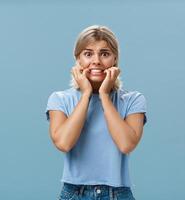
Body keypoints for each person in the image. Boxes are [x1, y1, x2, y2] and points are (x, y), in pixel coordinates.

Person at [45, 25, 147, 200]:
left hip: (117, 194)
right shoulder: (59, 99)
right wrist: (85, 94)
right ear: (78, 59)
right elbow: (64, 143)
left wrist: (104, 96)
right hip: (74, 193)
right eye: (88, 53)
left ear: (115, 58)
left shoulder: (133, 100)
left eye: (105, 53)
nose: (96, 61)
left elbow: (126, 144)